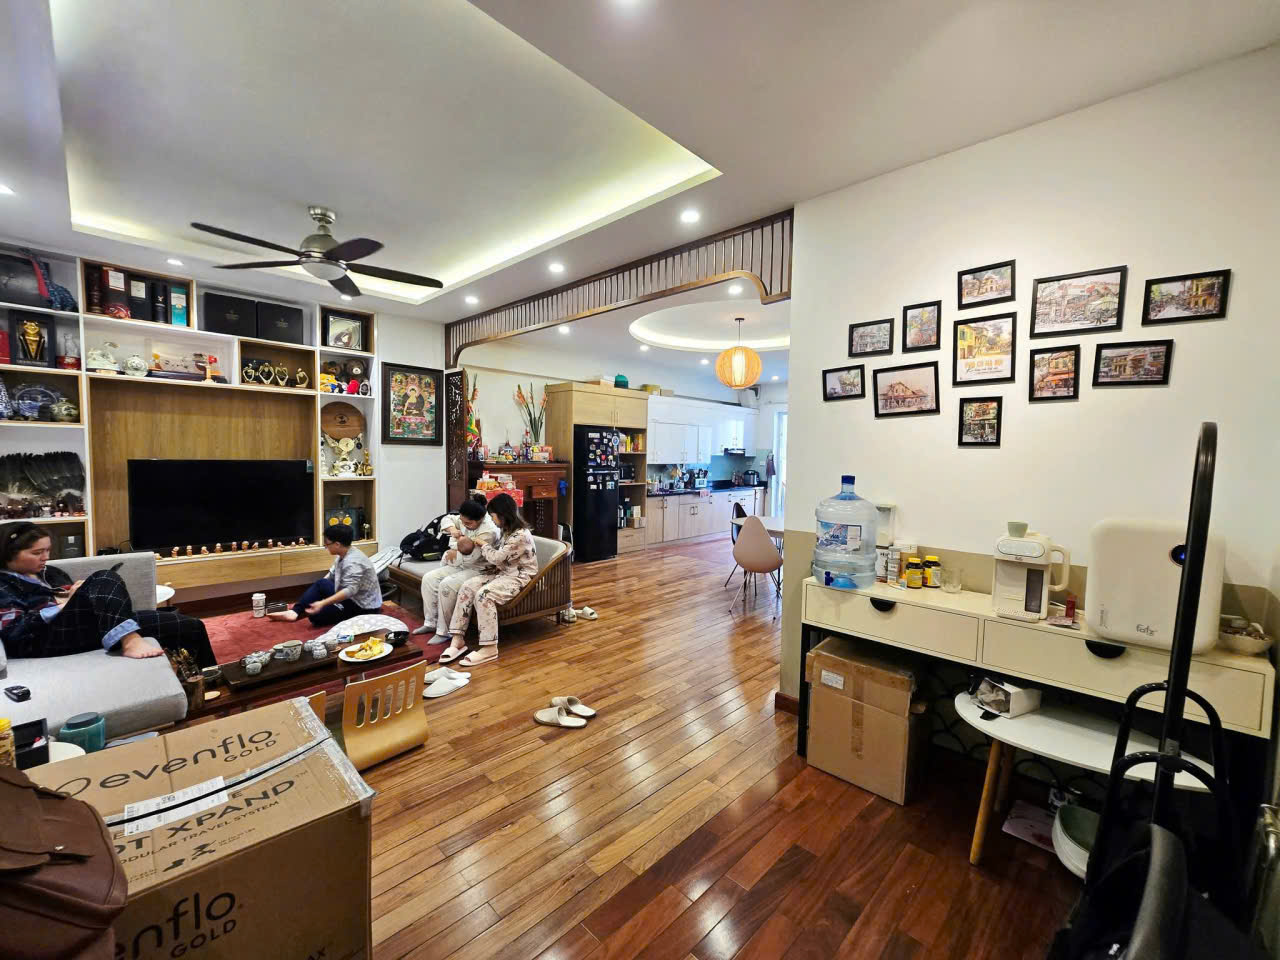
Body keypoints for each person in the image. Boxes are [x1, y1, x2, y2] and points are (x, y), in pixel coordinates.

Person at [0, 521, 215, 665]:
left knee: (189, 625)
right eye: (37, 552)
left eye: (47, 550)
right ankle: (129, 640)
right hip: (42, 640)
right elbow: (13, 631)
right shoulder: (4, 584)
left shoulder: (49, 572)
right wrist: (62, 606)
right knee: (104, 577)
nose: (45, 557)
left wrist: (73, 593)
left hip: (80, 627)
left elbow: (69, 598)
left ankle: (212, 681)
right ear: (8, 554)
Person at [439, 493, 538, 667]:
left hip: (518, 577)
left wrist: (482, 543)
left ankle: (489, 647)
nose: (492, 519)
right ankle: (457, 639)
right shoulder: (507, 531)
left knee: (483, 595)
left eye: (493, 516)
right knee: (467, 586)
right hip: (502, 573)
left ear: (503, 515)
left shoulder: (520, 536)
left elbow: (497, 558)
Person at [412, 494, 498, 642]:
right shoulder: (465, 519)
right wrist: (452, 529)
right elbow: (447, 519)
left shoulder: (488, 531)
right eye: (462, 522)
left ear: (480, 520)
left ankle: (444, 632)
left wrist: (454, 549)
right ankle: (431, 623)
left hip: (481, 568)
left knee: (447, 584)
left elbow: (472, 556)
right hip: (461, 563)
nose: (464, 525)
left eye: (468, 523)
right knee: (429, 578)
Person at [269, 525, 382, 626]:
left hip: (362, 608)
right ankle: (294, 612)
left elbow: (349, 591)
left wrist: (322, 603)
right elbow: (330, 577)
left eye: (327, 544)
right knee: (321, 583)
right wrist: (318, 595)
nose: (326, 547)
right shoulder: (344, 553)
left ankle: (337, 611)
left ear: (337, 544)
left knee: (315, 616)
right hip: (351, 598)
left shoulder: (353, 562)